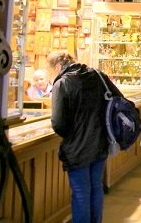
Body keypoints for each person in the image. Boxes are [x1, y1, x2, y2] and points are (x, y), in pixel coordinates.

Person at [48, 50, 123, 223]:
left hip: (77, 148)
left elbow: (58, 123)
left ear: (58, 67)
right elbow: (119, 99)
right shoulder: (98, 76)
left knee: (81, 192)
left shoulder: (62, 83)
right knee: (96, 187)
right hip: (100, 143)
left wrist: (71, 135)